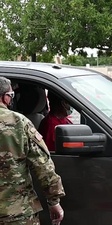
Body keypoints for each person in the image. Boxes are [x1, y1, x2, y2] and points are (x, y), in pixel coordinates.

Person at [0, 77, 65, 225]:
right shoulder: (19, 122)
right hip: (16, 213)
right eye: (11, 96)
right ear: (5, 97)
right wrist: (54, 201)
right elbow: (42, 165)